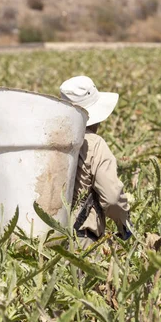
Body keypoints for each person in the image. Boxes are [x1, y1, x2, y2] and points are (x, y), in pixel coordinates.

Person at [59, 76, 132, 245]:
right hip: (80, 237)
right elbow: (112, 198)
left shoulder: (47, 141)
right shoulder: (94, 144)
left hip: (45, 237)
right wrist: (124, 225)